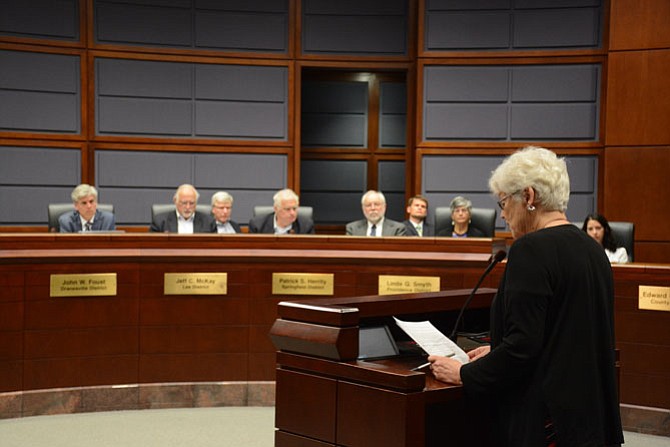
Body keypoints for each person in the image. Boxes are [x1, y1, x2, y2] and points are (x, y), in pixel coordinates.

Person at [427, 146, 623, 447]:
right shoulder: (593, 251)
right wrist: (497, 349)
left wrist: (464, 373)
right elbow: (563, 333)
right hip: (589, 420)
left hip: (547, 425)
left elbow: (522, 350)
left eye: (503, 201)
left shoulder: (531, 250)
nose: (503, 214)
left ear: (529, 197)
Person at [150, 184, 216, 233]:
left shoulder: (208, 222)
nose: (188, 207)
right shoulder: (160, 221)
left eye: (192, 203)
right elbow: (150, 247)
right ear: (175, 201)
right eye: (184, 203)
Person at [248, 188, 314, 234]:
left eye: (294, 208)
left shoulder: (306, 226)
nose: (292, 213)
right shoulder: (257, 226)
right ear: (276, 209)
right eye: (288, 209)